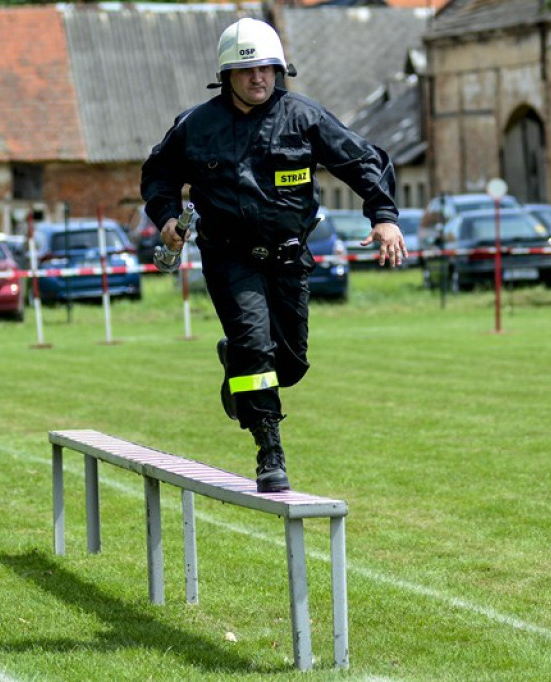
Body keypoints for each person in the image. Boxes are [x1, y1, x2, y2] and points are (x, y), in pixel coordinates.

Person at [141, 18, 406, 493]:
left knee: (290, 363)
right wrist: (165, 217)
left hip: (288, 258)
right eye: (247, 72)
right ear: (226, 76)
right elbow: (157, 176)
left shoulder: (304, 118)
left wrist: (383, 216)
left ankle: (236, 366)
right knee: (256, 347)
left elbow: (363, 160)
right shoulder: (196, 126)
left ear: (280, 69)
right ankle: (269, 451)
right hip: (229, 257)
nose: (259, 78)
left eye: (267, 69)